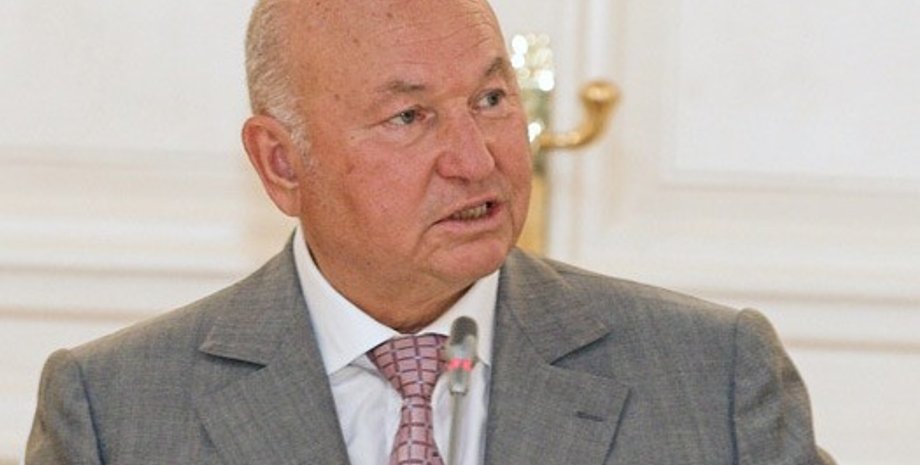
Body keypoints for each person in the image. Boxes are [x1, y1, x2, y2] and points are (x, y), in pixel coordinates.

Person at [25, 0, 835, 464]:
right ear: (281, 163)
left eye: (491, 100)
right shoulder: (115, 412)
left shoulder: (713, 377)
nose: (476, 159)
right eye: (410, 117)